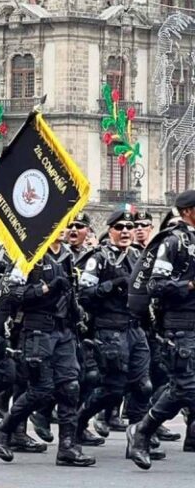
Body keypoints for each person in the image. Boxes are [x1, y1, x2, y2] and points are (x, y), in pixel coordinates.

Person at [0, 237, 95, 467]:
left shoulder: (67, 256)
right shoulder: (29, 255)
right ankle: (4, 429)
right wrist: (45, 288)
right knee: (41, 390)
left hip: (64, 330)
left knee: (70, 387)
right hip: (37, 331)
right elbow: (12, 293)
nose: (65, 228)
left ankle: (67, 447)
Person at [127, 190, 195, 469]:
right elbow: (156, 285)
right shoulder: (173, 241)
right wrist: (189, 285)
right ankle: (141, 431)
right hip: (180, 325)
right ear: (189, 211)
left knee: (184, 388)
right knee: (186, 388)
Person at [76, 210, 153, 449]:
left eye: (129, 227)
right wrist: (111, 286)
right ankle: (78, 424)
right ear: (110, 231)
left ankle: (139, 439)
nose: (126, 231)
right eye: (120, 227)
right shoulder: (98, 258)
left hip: (134, 328)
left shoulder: (138, 257)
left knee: (143, 386)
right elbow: (84, 294)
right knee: (113, 389)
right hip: (109, 328)